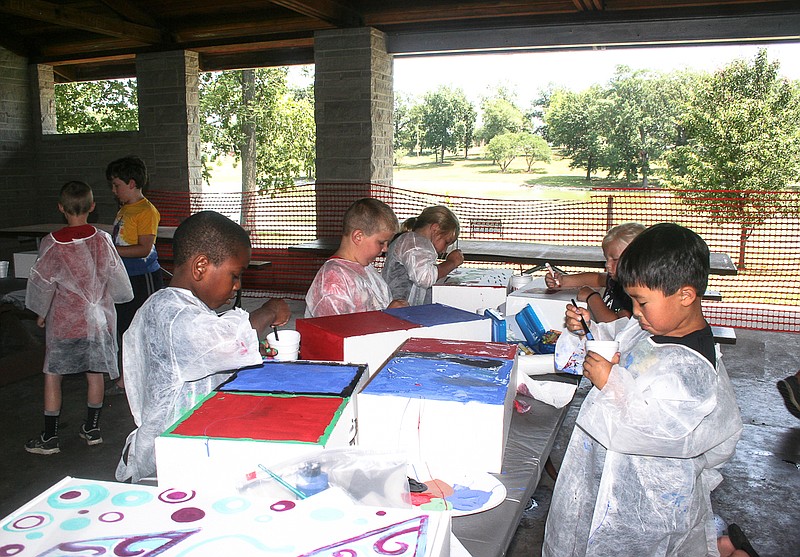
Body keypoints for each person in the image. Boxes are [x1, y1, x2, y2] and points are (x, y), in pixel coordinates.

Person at [543, 223, 743, 557]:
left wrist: (612, 383)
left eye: (641, 301)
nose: (635, 311)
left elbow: (665, 431)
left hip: (650, 503)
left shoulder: (692, 367)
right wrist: (588, 331)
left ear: (685, 295)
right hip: (613, 483)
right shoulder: (653, 328)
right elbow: (621, 339)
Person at [115, 210, 291, 483]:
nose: (238, 285)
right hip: (170, 459)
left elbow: (206, 350)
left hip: (192, 444)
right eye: (234, 275)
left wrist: (247, 350)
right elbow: (225, 342)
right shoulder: (170, 314)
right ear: (200, 267)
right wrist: (268, 311)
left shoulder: (184, 309)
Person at [24, 181, 133, 454]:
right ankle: (92, 428)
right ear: (92, 207)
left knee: (53, 374)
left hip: (64, 321)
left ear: (61, 208)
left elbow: (43, 281)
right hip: (97, 322)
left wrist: (41, 311)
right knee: (94, 372)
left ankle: (50, 437)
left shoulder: (52, 243)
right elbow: (116, 277)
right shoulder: (102, 239)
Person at [105, 155, 164, 396]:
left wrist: (111, 250)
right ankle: (125, 376)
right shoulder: (124, 210)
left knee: (143, 327)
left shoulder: (146, 211)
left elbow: (144, 249)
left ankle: (147, 377)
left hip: (143, 277)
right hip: (124, 277)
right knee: (124, 327)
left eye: (116, 185)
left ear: (131, 183)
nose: (113, 190)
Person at [305, 198, 408, 318]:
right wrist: (387, 316)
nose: (386, 249)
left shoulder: (365, 267)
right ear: (358, 237)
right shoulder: (333, 283)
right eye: (381, 242)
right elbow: (336, 332)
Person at [545, 222, 645, 322]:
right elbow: (597, 279)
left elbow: (616, 325)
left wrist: (592, 297)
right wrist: (563, 281)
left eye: (615, 259)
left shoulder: (636, 292)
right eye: (607, 259)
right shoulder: (616, 279)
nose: (607, 265)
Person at [382, 205, 465, 306]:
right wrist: (452, 262)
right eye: (446, 242)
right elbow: (425, 277)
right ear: (435, 229)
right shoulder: (413, 242)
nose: (444, 250)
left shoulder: (419, 244)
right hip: (398, 311)